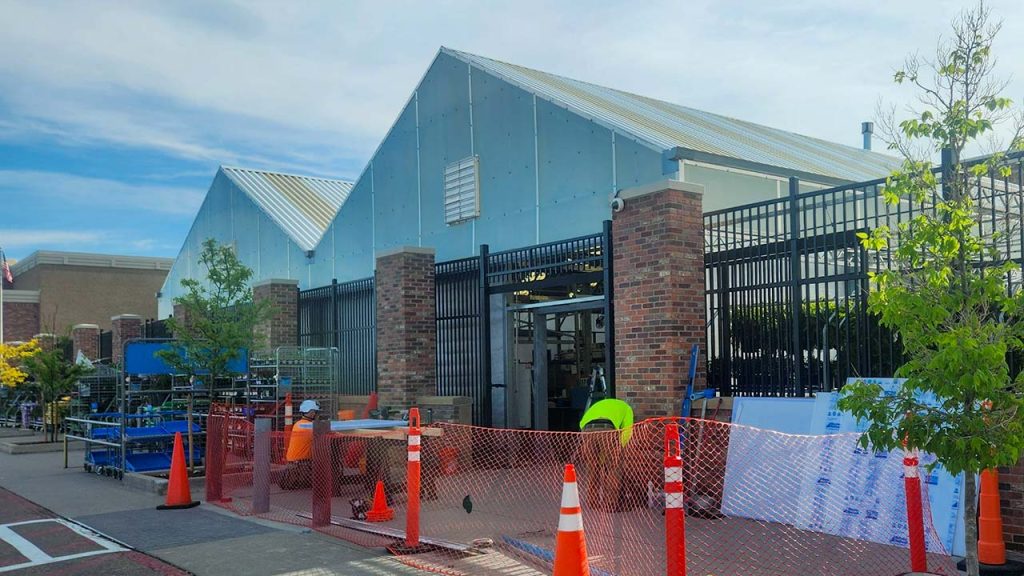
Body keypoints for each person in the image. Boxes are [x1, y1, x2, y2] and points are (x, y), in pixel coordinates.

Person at [280, 399, 320, 490]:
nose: (315, 414)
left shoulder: (298, 424)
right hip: (302, 464)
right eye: (314, 412)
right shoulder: (308, 426)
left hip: (295, 463)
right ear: (310, 412)